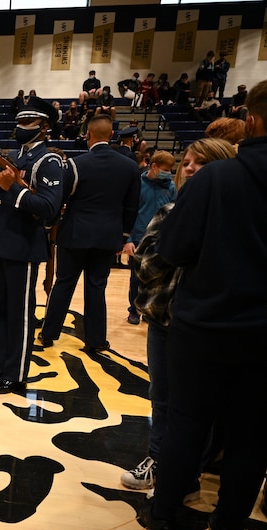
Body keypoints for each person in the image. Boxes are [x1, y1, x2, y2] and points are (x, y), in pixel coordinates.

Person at [141, 80, 267, 530]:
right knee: (251, 439)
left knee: (186, 424)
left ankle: (164, 519)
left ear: (250, 120)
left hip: (206, 325)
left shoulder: (216, 179)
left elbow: (173, 248)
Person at [122, 138, 236, 496]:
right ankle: (158, 459)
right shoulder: (171, 210)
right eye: (186, 162)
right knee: (162, 396)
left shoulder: (232, 217)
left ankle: (188, 473)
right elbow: (146, 264)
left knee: (200, 404)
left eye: (199, 163)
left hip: (205, 324)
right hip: (162, 318)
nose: (189, 168)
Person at [0, 97, 64, 394]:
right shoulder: (14, 156)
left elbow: (49, 207)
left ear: (45, 127)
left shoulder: (48, 161)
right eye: (20, 121)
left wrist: (12, 186)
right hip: (1, 245)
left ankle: (16, 373)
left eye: (28, 122)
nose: (21, 127)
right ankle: (1, 366)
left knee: (20, 314)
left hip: (23, 248)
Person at [38, 115, 140, 352]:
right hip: (108, 236)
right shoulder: (130, 166)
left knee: (64, 283)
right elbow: (131, 206)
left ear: (89, 135)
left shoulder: (75, 164)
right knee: (96, 287)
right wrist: (123, 237)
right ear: (111, 135)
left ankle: (49, 332)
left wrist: (49, 225)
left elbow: (59, 199)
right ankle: (96, 340)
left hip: (75, 233)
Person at [123, 150, 176, 325]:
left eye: (170, 169)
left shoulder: (170, 186)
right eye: (165, 169)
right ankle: (134, 310)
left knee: (159, 277)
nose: (168, 172)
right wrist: (128, 239)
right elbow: (129, 213)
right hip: (139, 237)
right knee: (136, 278)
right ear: (154, 166)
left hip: (163, 238)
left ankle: (150, 310)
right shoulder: (137, 184)